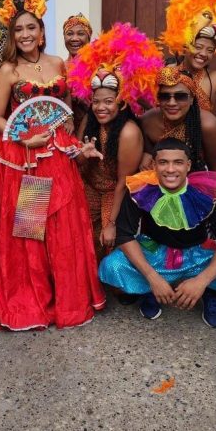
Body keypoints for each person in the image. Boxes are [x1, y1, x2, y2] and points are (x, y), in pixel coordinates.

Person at [0, 0, 106, 331]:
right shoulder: (8, 71)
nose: (25, 35)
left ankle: (66, 296)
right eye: (18, 29)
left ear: (42, 32)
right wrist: (22, 136)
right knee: (33, 231)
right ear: (12, 35)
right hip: (28, 157)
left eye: (30, 27)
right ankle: (37, 297)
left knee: (62, 224)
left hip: (59, 152)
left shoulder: (58, 64)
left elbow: (69, 105)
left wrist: (73, 134)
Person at [99, 138, 216, 328]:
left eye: (178, 162)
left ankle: (208, 292)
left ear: (188, 165)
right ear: (153, 165)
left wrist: (201, 281)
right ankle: (152, 289)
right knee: (112, 265)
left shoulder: (210, 192)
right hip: (155, 254)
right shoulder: (140, 189)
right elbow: (125, 235)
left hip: (198, 255)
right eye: (163, 162)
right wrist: (152, 278)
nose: (170, 169)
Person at [68, 22, 162, 260]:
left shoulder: (129, 132)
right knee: (77, 236)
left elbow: (123, 182)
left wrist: (111, 223)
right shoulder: (88, 120)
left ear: (121, 103)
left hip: (113, 192)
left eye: (108, 102)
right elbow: (77, 163)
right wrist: (83, 154)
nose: (101, 107)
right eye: (96, 102)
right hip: (89, 186)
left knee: (110, 242)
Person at [160, 0, 216, 110]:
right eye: (198, 47)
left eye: (210, 50)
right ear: (186, 46)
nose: (203, 54)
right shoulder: (165, 72)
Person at [140, 67, 216, 173]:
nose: (172, 103)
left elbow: (215, 170)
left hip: (200, 176)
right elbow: (147, 154)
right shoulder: (148, 121)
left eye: (181, 96)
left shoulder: (209, 126)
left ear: (191, 99)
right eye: (164, 96)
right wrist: (147, 154)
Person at [62, 13, 93, 134]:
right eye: (69, 33)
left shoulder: (98, 67)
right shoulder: (59, 67)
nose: (75, 38)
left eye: (81, 33)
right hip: (65, 132)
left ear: (88, 38)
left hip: (92, 130)